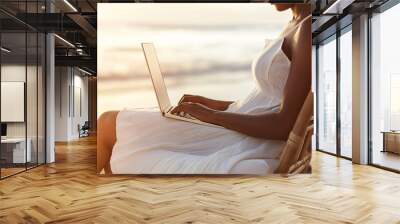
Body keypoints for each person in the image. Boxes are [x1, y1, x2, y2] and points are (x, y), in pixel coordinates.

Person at [97, 3, 311, 175]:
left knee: (108, 123)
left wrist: (210, 115)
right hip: (235, 123)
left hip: (246, 138)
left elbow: (284, 125)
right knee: (112, 124)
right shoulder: (293, 23)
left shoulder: (306, 27)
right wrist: (206, 103)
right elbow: (258, 102)